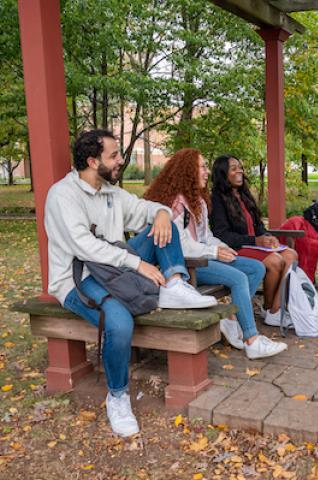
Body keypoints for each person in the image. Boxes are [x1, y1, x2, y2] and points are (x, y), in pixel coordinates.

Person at [45, 130, 218, 437]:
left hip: (115, 269)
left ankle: (174, 285)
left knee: (161, 225)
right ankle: (118, 396)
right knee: (119, 321)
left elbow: (145, 210)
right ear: (91, 160)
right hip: (78, 277)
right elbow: (84, 247)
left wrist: (163, 213)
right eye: (114, 155)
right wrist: (138, 263)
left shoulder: (111, 192)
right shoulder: (62, 196)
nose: (120, 160)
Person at [144, 148, 287, 359]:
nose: (206, 172)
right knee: (239, 278)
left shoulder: (198, 201)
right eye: (201, 167)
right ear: (188, 171)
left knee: (255, 268)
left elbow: (206, 236)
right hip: (186, 266)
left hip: (203, 258)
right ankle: (252, 340)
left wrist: (221, 247)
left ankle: (230, 321)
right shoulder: (174, 205)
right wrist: (214, 252)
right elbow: (181, 246)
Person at [210, 154, 298, 326]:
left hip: (255, 245)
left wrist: (267, 236)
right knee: (274, 262)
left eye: (240, 167)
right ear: (222, 173)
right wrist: (255, 241)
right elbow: (222, 235)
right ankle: (267, 308)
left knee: (291, 255)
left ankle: (275, 310)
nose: (239, 171)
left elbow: (258, 226)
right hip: (236, 247)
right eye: (233, 168)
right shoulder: (217, 199)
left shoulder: (244, 195)